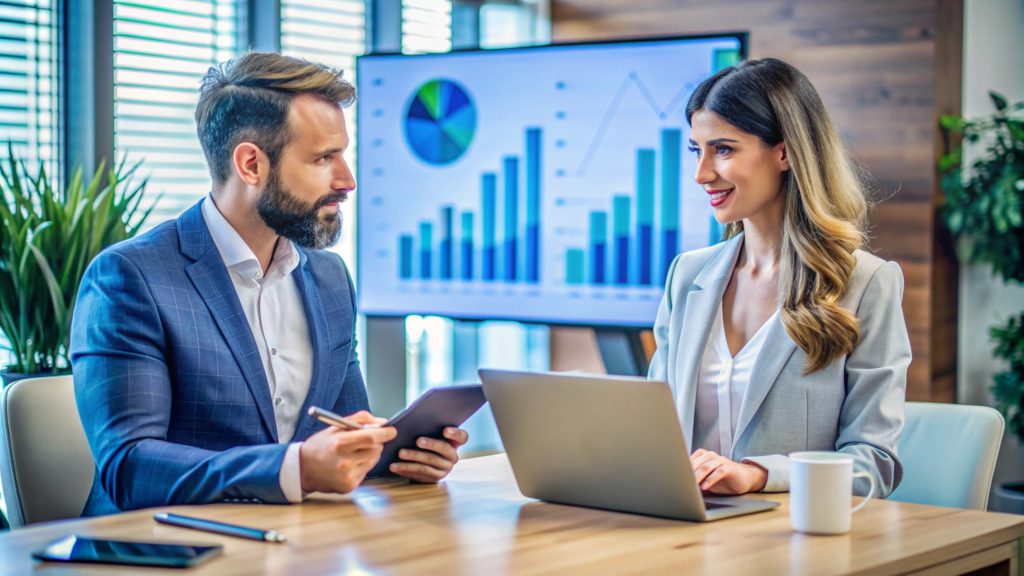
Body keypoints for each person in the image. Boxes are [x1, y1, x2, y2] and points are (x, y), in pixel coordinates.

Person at [70, 52, 468, 515]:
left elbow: (341, 434)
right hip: (159, 550)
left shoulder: (329, 278)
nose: (348, 180)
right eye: (323, 158)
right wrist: (294, 467)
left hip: (292, 546)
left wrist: (398, 456)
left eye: (344, 155)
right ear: (251, 165)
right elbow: (130, 467)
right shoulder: (130, 278)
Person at [648, 58, 910, 498]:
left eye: (724, 149)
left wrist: (760, 475)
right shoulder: (686, 275)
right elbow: (654, 432)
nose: (701, 173)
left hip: (790, 542)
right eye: (697, 150)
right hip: (684, 532)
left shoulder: (866, 284)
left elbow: (874, 463)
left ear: (785, 152)